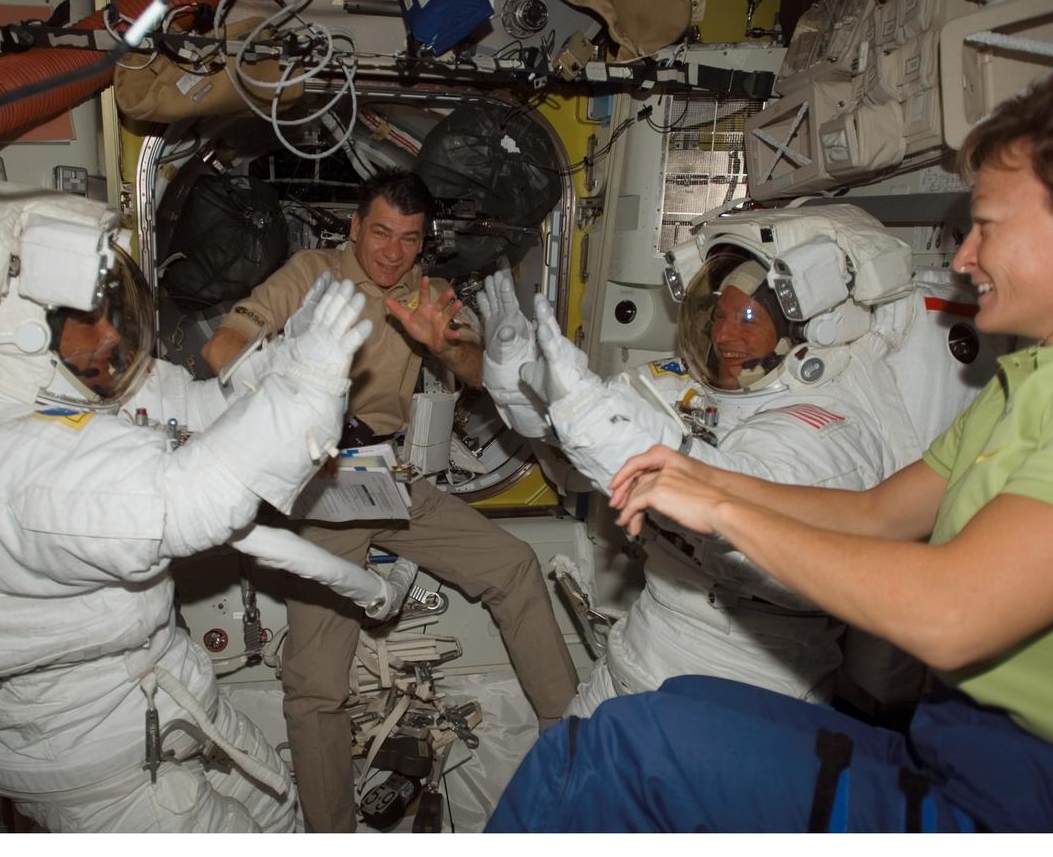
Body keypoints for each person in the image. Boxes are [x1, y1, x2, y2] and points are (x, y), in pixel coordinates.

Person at [486, 72, 1053, 832]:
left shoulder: (828, 423)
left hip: (1016, 793)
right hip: (946, 745)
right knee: (672, 708)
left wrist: (717, 503)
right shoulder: (1021, 387)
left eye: (985, 224)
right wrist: (688, 472)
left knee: (625, 749)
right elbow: (878, 514)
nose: (963, 257)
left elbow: (951, 613)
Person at [0, 178, 384, 832]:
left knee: (279, 814)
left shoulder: (58, 381)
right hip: (99, 760)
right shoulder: (5, 468)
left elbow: (194, 414)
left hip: (162, 692)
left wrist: (283, 364)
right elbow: (185, 498)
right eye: (81, 319)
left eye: (109, 308)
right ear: (10, 327)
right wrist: (308, 391)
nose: (107, 336)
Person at [479, 201, 993, 713]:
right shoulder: (697, 387)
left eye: (748, 318)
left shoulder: (826, 426)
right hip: (638, 658)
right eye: (720, 315)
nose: (725, 335)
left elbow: (752, 520)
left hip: (735, 689)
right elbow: (583, 439)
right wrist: (521, 383)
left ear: (806, 331)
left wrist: (622, 442)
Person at [200, 169, 579, 832]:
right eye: (380, 232)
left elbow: (474, 372)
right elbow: (222, 343)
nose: (391, 251)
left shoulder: (428, 294)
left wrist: (452, 347)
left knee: (515, 565)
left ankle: (573, 747)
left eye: (408, 238)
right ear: (355, 226)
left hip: (396, 475)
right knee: (316, 685)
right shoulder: (314, 274)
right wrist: (280, 391)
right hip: (322, 481)